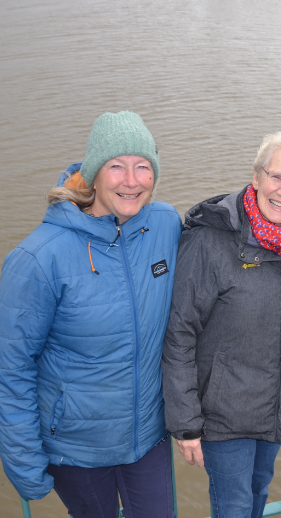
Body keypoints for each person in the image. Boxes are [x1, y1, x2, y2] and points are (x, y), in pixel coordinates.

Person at [0, 111, 181, 518]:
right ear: (94, 173)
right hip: (76, 448)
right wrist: (24, 461)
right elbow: (11, 368)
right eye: (116, 166)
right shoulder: (38, 258)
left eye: (143, 167)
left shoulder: (166, 225)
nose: (131, 181)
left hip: (148, 436)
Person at [162, 130, 281, 518]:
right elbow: (179, 334)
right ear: (256, 177)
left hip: (277, 403)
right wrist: (186, 421)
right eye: (277, 177)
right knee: (234, 506)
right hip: (223, 412)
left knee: (257, 492)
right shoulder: (209, 242)